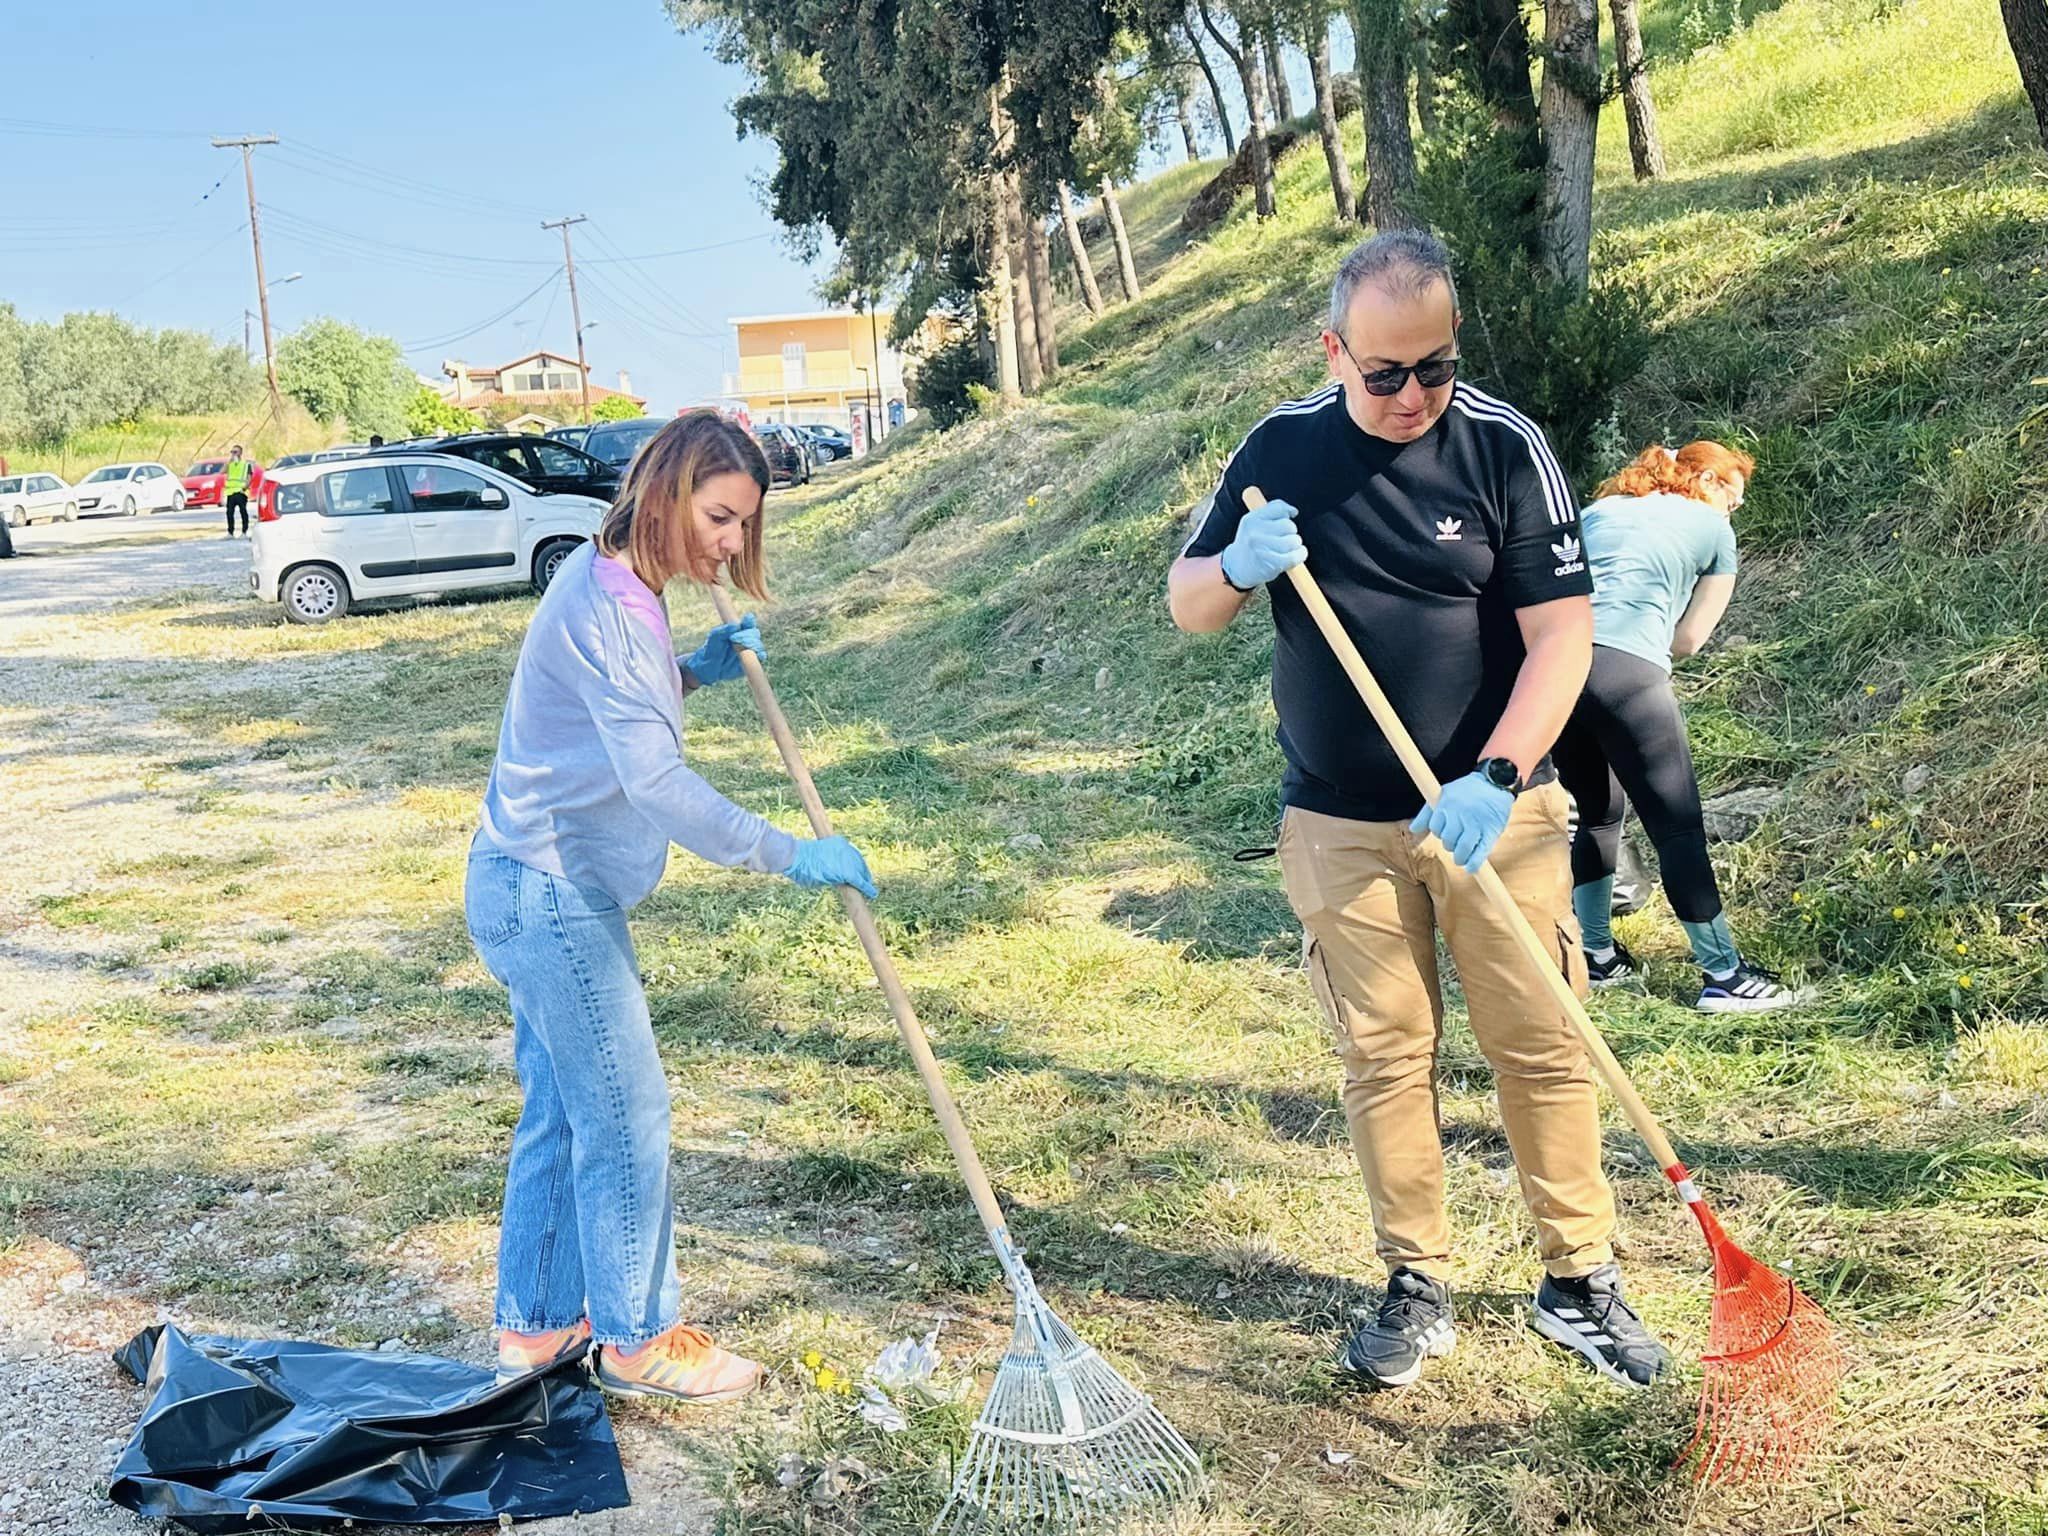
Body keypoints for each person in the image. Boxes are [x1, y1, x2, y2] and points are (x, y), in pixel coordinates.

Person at [1167, 230, 1669, 1392]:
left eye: (1432, 367)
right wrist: (1238, 564)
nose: (1409, 396)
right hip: (1338, 821)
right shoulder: (1279, 449)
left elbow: (1561, 638)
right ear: (1332, 349)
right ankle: (1415, 1281)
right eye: (1382, 373)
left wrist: (1493, 779)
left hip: (1499, 806)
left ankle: (1577, 1279)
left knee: (1541, 1044)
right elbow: (1188, 606)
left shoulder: (1502, 446)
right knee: (1384, 1053)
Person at [466, 408, 877, 1402]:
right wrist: (791, 855)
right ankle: (639, 1341)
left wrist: (687, 670)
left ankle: (535, 1331)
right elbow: (655, 786)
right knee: (626, 1114)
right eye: (722, 516)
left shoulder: (616, 585)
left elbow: (608, 714)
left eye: (743, 524)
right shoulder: (611, 606)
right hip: (548, 891)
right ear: (666, 494)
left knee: (566, 1112)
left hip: (521, 877)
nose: (733, 542)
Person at [1552, 441, 1804, 1012]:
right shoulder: (1712, 531)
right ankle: (1724, 976)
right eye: (1732, 500)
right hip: (1628, 673)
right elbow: (1689, 639)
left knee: (1597, 814)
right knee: (1678, 830)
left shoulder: (1598, 513)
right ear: (1709, 485)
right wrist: (1642, 653)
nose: (1731, 512)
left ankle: (1595, 957)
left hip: (1555, 669)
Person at [222, 445, 254, 536]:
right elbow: (222, 471)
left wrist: (245, 487)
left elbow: (249, 477)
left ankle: (244, 531)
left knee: (243, 511)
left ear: (240, 453)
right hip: (231, 492)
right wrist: (229, 461)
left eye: (235, 452)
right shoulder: (230, 464)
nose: (233, 454)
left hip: (241, 491)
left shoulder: (246, 464)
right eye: (232, 452)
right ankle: (230, 532)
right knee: (229, 512)